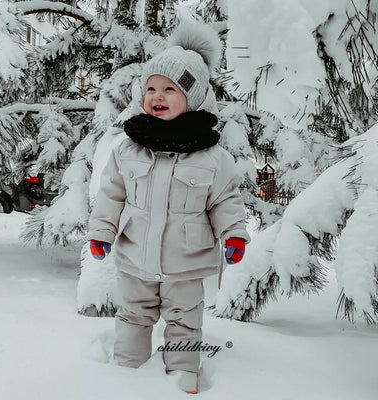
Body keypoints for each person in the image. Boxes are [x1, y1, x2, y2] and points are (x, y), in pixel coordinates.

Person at [87, 21, 250, 394]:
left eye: (169, 89)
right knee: (132, 316)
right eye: (151, 88)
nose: (156, 95)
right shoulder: (129, 147)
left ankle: (182, 376)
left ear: (191, 96)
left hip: (186, 262)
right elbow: (111, 193)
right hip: (135, 256)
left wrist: (234, 234)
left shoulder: (211, 155)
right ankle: (126, 372)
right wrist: (102, 232)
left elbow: (225, 199)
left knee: (185, 322)